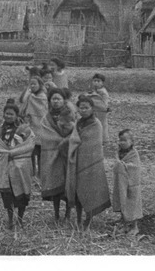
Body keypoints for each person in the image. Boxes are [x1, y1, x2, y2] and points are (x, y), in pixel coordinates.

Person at [66, 95, 111, 230]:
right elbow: (74, 139)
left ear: (92, 109)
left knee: (90, 190)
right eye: (81, 108)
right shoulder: (78, 123)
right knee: (78, 190)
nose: (83, 110)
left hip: (91, 163)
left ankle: (88, 218)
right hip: (78, 162)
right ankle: (79, 218)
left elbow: (94, 145)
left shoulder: (96, 124)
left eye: (86, 108)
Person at [0, 98, 35, 229]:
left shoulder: (25, 130)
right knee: (8, 195)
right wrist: (7, 152)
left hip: (20, 167)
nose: (8, 116)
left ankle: (20, 220)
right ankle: (10, 220)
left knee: (22, 194)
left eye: (11, 114)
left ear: (17, 115)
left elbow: (29, 145)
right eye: (6, 113)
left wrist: (13, 152)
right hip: (5, 166)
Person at [40, 94, 76, 225]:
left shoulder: (71, 113)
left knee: (68, 185)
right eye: (53, 99)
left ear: (63, 100)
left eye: (58, 99)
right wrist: (58, 141)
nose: (56, 101)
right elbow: (46, 135)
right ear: (49, 101)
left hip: (68, 154)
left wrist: (66, 141)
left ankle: (67, 214)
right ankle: (56, 214)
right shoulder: (46, 118)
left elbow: (76, 132)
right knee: (55, 185)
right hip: (53, 156)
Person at [112, 129, 143, 235]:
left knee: (132, 205)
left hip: (132, 184)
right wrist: (119, 165)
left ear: (132, 141)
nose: (122, 142)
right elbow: (116, 165)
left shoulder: (134, 154)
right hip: (121, 184)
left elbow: (135, 167)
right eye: (120, 140)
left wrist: (124, 166)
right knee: (122, 202)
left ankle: (134, 227)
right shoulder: (118, 153)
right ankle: (125, 226)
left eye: (124, 140)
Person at [19, 75, 49, 178]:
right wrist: (27, 91)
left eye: (34, 84)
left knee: (42, 157)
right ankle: (31, 177)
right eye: (30, 84)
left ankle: (41, 178)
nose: (32, 86)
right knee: (30, 155)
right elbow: (22, 103)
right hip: (31, 130)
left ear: (40, 85)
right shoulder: (30, 97)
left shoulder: (44, 97)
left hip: (42, 130)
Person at [88, 73, 111, 143]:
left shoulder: (103, 92)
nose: (96, 83)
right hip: (95, 111)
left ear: (102, 83)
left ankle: (104, 140)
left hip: (101, 111)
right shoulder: (94, 91)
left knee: (102, 125)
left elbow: (104, 103)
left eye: (98, 81)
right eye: (94, 81)